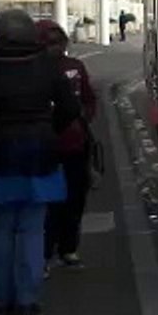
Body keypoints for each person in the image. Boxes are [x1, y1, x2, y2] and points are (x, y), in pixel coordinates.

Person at [0, 9, 79, 315]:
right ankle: (27, 302)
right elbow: (69, 108)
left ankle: (3, 300)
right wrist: (50, 130)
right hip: (39, 153)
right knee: (32, 228)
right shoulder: (45, 65)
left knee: (2, 227)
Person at [36, 19, 97, 275]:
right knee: (49, 204)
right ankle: (44, 254)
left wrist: (82, 122)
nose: (56, 47)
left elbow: (89, 99)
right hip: (45, 148)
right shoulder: (33, 71)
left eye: (59, 42)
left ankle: (68, 249)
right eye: (50, 43)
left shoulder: (75, 67)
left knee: (75, 200)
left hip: (75, 144)